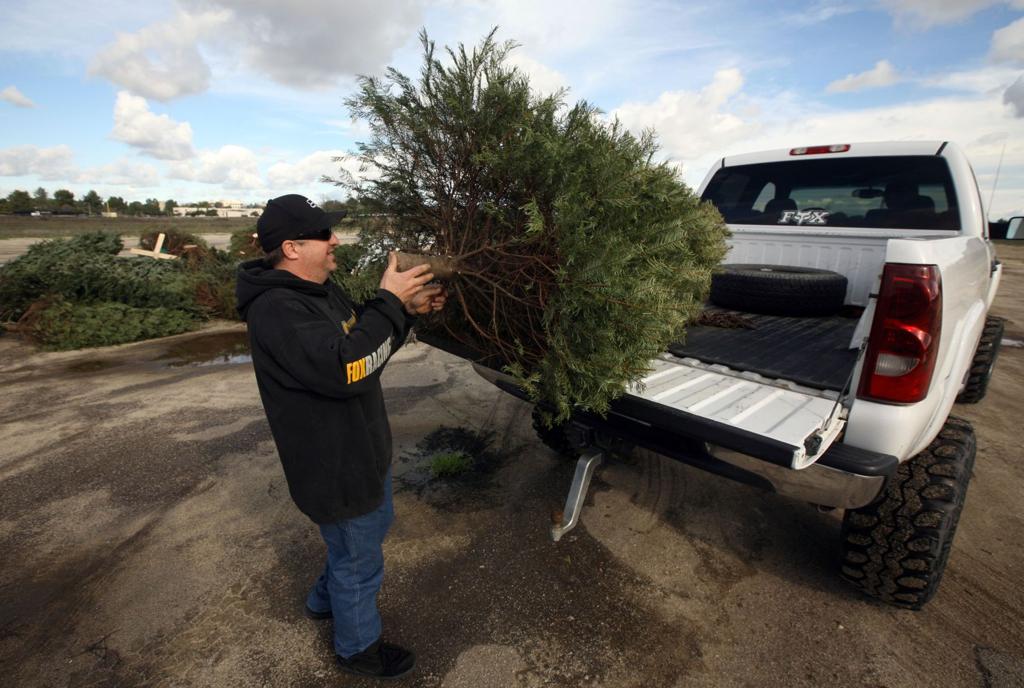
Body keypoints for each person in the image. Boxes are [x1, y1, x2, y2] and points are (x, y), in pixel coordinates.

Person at [235, 194, 445, 680]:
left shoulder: (321, 291)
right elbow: (345, 369)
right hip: (334, 466)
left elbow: (363, 351)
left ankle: (320, 601)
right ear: (291, 247)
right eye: (324, 234)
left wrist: (405, 311)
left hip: (361, 451)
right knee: (359, 559)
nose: (336, 241)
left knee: (357, 542)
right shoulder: (277, 309)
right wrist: (389, 301)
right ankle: (357, 649)